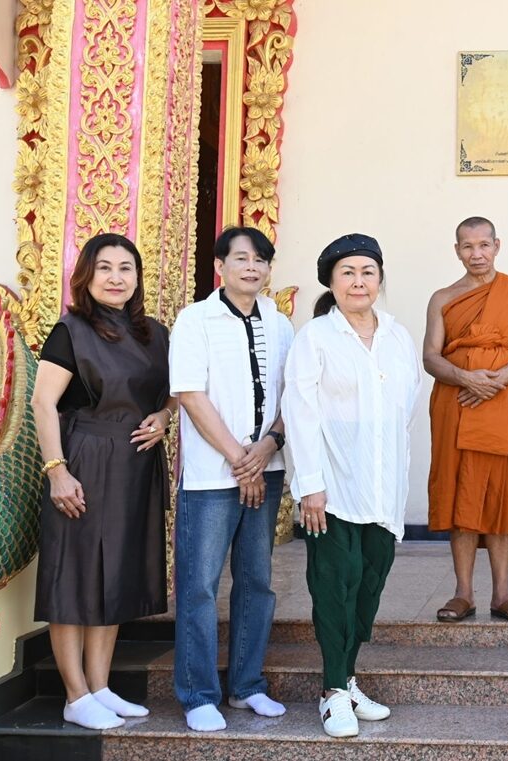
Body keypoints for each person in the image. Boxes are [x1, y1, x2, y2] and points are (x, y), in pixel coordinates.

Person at [31, 233, 173, 729]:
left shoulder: (155, 332)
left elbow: (174, 391)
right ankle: (75, 696)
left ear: (137, 277)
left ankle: (100, 685)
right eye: (106, 268)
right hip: (85, 458)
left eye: (126, 268)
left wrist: (162, 415)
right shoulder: (70, 329)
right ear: (86, 275)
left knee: (116, 576)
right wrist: (57, 470)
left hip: (134, 463)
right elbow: (43, 403)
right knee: (75, 577)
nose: (116, 278)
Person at [283, 234, 422, 738]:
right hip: (333, 492)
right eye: (348, 272)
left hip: (382, 491)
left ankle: (348, 678)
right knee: (333, 590)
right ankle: (331, 692)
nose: (358, 280)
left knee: (369, 588)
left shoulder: (398, 336)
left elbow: (404, 411)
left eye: (367, 271)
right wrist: (311, 487)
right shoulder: (315, 338)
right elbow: (300, 414)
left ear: (380, 278)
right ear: (332, 282)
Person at [169, 227, 295, 732]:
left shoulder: (282, 324)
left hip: (267, 467)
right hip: (211, 476)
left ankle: (246, 687)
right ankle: (198, 694)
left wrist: (266, 450)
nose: (252, 267)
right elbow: (191, 395)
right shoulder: (195, 320)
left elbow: (295, 395)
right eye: (241, 258)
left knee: (257, 582)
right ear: (220, 264)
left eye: (261, 260)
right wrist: (239, 459)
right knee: (199, 586)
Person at [424, 217, 508, 624]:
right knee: (459, 492)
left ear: (497, 245)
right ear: (456, 250)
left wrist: (496, 380)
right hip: (455, 404)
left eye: (484, 245)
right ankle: (463, 592)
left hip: (502, 406)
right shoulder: (443, 297)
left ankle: (503, 593)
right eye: (467, 246)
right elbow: (431, 356)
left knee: (501, 496)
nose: (476, 254)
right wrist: (465, 377)